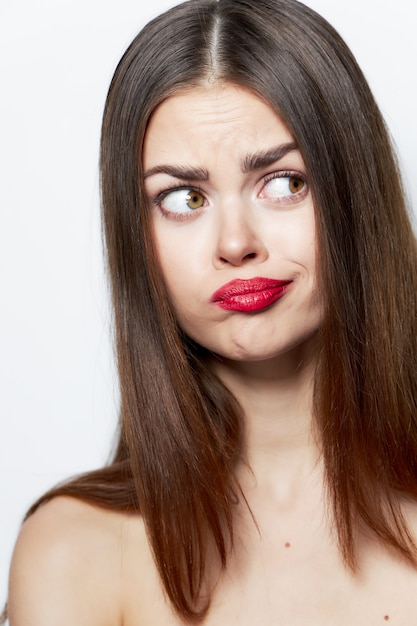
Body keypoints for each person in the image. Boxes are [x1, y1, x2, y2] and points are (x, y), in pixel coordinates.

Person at [4, 0, 417, 623]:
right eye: (185, 197)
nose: (234, 243)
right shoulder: (72, 551)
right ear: (136, 236)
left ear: (352, 193)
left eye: (284, 183)